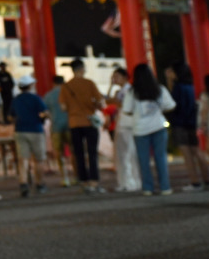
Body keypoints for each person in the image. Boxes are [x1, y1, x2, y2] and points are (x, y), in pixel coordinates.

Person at [123, 63, 176, 195]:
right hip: (159, 126)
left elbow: (126, 110)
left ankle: (148, 188)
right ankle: (165, 187)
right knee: (161, 158)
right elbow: (171, 105)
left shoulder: (132, 92)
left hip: (140, 130)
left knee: (143, 160)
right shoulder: (159, 89)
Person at [60, 58, 106, 193]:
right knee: (92, 153)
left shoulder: (66, 86)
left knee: (78, 154)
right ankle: (94, 181)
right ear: (82, 69)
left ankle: (84, 182)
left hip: (74, 123)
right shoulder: (89, 83)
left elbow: (63, 107)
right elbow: (100, 102)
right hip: (89, 122)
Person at [166, 62, 209, 191]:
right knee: (197, 151)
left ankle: (195, 182)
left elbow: (172, 104)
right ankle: (206, 178)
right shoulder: (190, 86)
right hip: (191, 122)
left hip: (180, 123)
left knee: (187, 154)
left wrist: (169, 81)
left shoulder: (178, 87)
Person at [11, 75, 49, 196]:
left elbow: (10, 116)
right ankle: (40, 184)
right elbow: (45, 113)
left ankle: (23, 184)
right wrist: (42, 117)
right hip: (36, 130)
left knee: (23, 159)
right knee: (39, 159)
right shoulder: (36, 98)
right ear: (31, 85)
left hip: (20, 130)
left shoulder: (16, 99)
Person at [109, 67, 141, 192]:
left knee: (127, 153)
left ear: (124, 77)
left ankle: (130, 182)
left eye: (116, 76)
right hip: (121, 123)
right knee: (123, 153)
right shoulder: (120, 90)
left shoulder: (129, 90)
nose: (114, 79)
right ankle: (125, 182)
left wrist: (113, 100)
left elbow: (121, 104)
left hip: (127, 125)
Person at [43, 75, 73, 186]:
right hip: (70, 125)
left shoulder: (48, 96)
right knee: (73, 150)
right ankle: (76, 175)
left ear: (53, 83)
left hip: (55, 127)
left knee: (58, 152)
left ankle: (64, 177)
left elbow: (45, 112)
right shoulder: (69, 93)